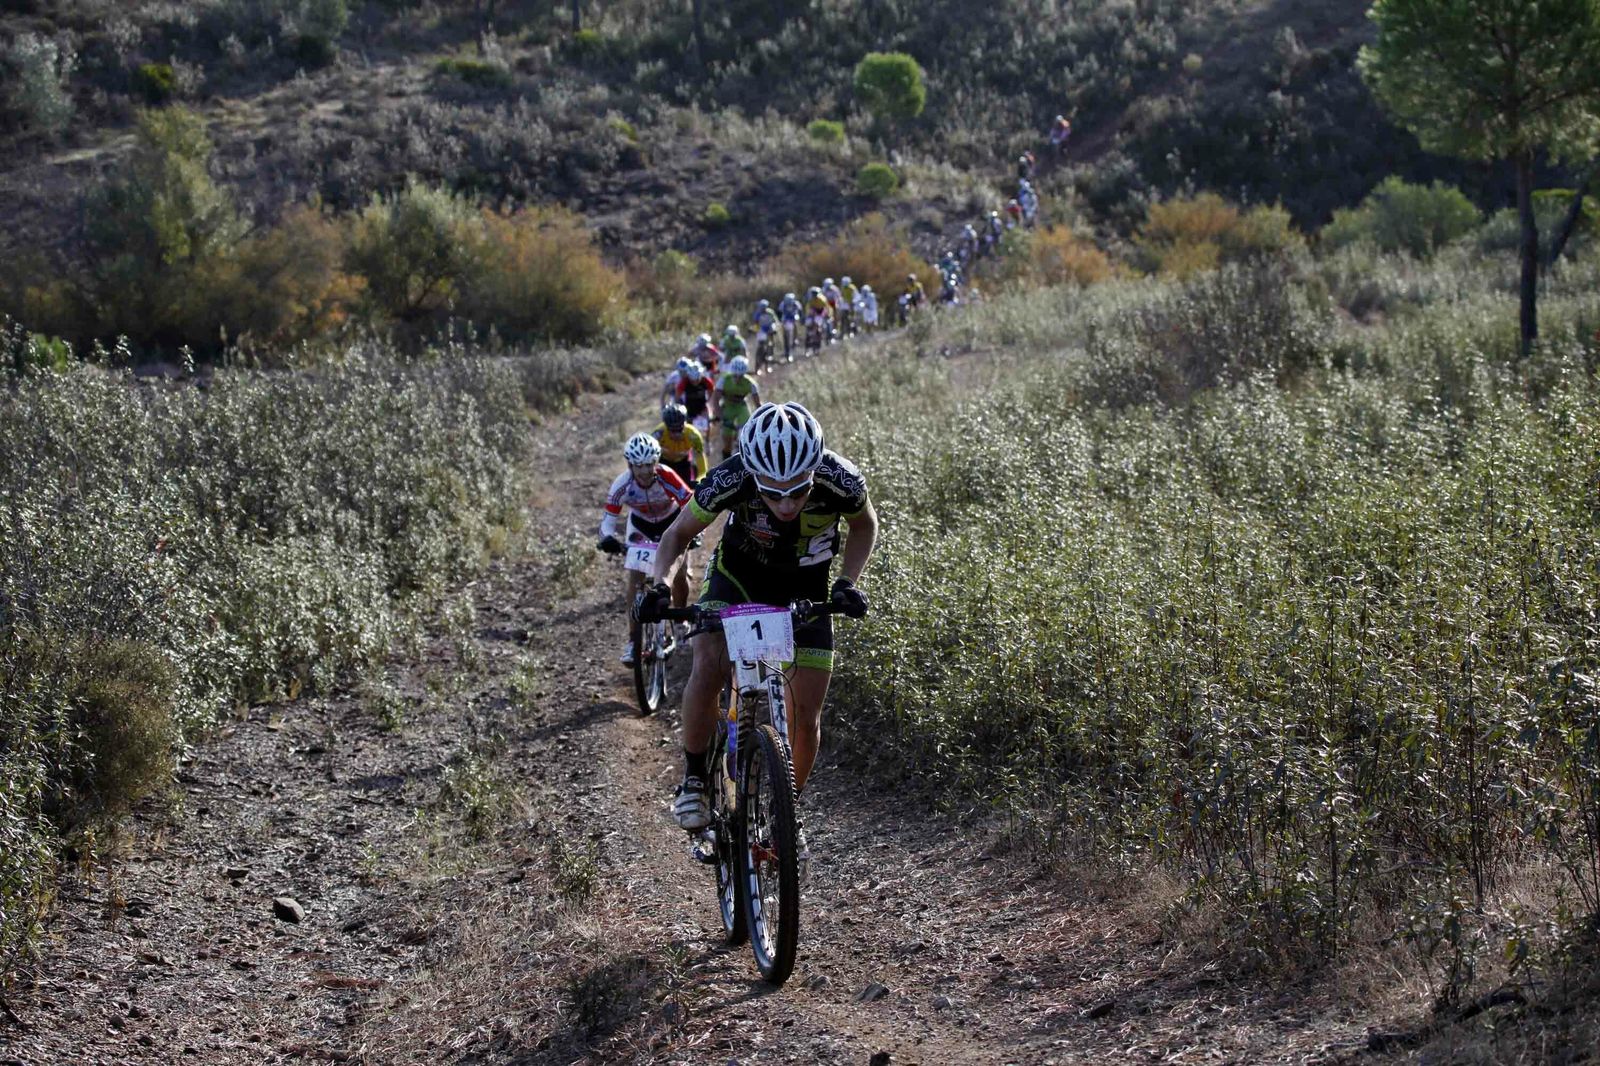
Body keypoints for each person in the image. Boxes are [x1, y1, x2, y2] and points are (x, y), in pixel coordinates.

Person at [639, 402, 877, 882]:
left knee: (806, 717)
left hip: (806, 589)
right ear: (753, 474)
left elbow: (865, 526)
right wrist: (659, 586)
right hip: (738, 580)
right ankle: (692, 780)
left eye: (799, 492)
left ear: (816, 470)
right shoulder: (730, 477)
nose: (787, 505)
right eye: (773, 494)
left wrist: (848, 581)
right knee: (708, 664)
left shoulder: (841, 478)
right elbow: (677, 534)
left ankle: (787, 814)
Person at [598, 433, 693, 665]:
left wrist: (694, 532)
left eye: (649, 464)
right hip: (640, 526)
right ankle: (633, 641)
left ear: (656, 462)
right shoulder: (621, 484)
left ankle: (680, 622)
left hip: (670, 524)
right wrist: (607, 538)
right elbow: (608, 520)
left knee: (678, 574)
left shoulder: (667, 476)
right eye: (638, 466)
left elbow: (690, 504)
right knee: (635, 578)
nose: (644, 471)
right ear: (630, 464)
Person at [712, 355, 761, 462]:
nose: (738, 378)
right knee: (727, 441)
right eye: (735, 376)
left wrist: (762, 417)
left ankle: (744, 450)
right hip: (727, 406)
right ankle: (725, 460)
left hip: (741, 407)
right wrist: (719, 415)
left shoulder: (750, 383)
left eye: (741, 376)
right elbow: (715, 399)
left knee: (746, 428)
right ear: (732, 372)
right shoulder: (724, 380)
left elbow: (758, 404)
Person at [652, 403, 708, 487]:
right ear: (666, 426)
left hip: (683, 463)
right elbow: (649, 456)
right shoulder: (658, 433)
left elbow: (701, 463)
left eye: (679, 429)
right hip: (663, 462)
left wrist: (700, 480)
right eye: (672, 430)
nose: (676, 434)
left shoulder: (693, 435)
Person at [661, 356, 714, 436]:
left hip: (701, 404)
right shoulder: (681, 380)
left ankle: (707, 441)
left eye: (697, 380)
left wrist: (708, 403)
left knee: (708, 422)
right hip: (687, 404)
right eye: (693, 380)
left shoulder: (706, 380)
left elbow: (711, 392)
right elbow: (675, 396)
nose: (695, 383)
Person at [777, 291, 803, 361]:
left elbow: (800, 311)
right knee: (785, 335)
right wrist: (780, 320)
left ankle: (796, 336)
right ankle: (786, 348)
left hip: (793, 317)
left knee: (796, 322)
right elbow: (779, 313)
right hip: (786, 318)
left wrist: (800, 318)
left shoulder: (796, 304)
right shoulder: (783, 304)